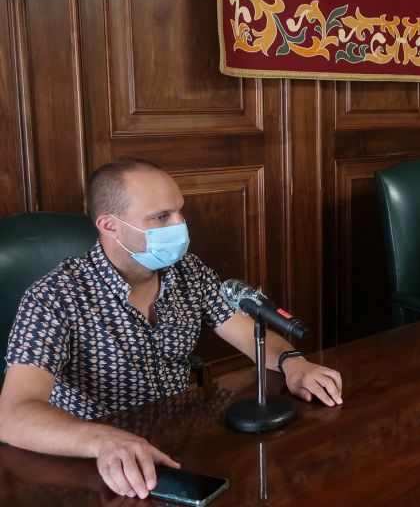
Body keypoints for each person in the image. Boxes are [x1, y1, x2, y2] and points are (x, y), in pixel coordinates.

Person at [0, 158, 343, 500]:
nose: (180, 225)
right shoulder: (55, 296)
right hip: (100, 467)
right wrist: (101, 439)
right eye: (161, 217)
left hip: (182, 448)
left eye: (180, 212)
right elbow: (12, 414)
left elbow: (247, 332)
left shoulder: (187, 271)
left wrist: (294, 363)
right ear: (109, 225)